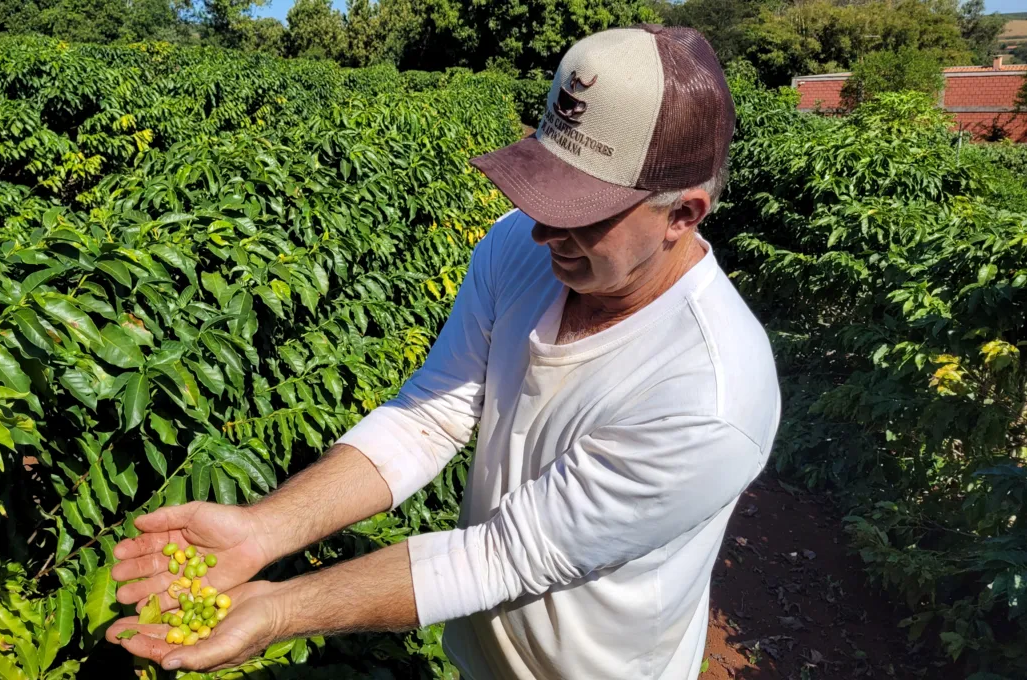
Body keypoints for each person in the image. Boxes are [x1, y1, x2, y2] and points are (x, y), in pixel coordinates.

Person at [106, 24, 781, 679]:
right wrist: (261, 531)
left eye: (583, 213)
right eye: (545, 190)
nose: (546, 231)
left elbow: (504, 558)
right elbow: (432, 415)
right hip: (484, 650)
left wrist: (282, 608)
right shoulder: (518, 246)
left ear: (684, 215)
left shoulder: (709, 395)